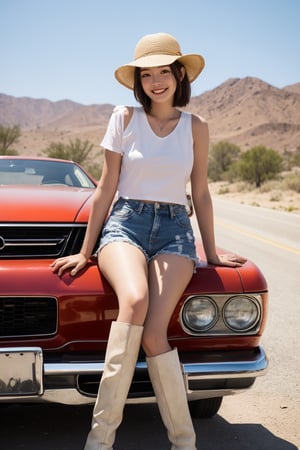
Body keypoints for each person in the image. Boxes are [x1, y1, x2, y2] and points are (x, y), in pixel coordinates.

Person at [51, 32, 246, 450]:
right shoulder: (123, 118)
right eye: (147, 74)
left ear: (179, 75)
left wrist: (210, 252)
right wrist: (85, 251)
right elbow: (105, 188)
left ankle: (183, 443)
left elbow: (202, 191)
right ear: (137, 81)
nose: (156, 81)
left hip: (176, 229)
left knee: (156, 333)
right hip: (126, 224)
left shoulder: (197, 127)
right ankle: (100, 441)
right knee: (135, 301)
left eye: (164, 72)